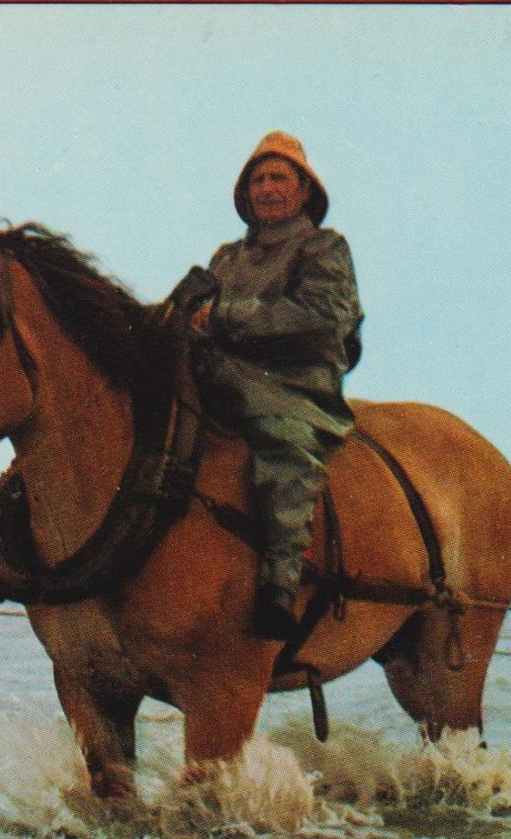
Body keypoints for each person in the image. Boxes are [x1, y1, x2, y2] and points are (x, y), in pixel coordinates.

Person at [188, 132, 364, 640]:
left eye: (279, 177)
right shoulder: (225, 258)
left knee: (284, 443)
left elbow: (322, 317)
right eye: (258, 178)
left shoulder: (324, 247)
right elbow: (192, 310)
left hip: (295, 387)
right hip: (222, 380)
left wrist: (224, 317)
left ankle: (280, 583)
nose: (267, 187)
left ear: (304, 190)